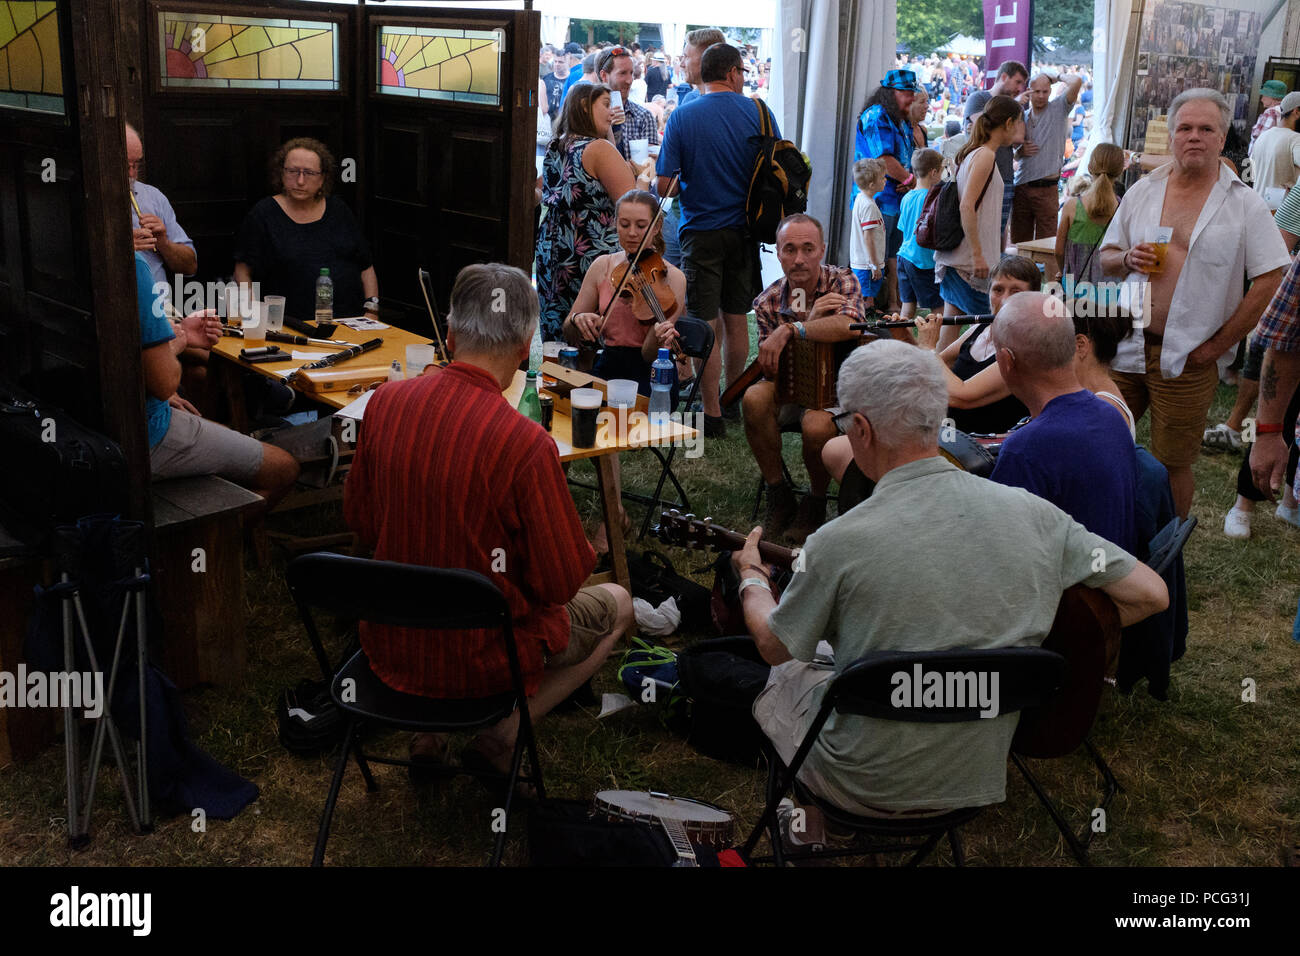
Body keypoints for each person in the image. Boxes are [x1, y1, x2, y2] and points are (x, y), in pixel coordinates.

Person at [733, 339, 1168, 819]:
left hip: (860, 784)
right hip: (977, 778)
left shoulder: (836, 540)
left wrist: (752, 577)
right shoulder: (1039, 517)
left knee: (787, 669)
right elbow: (1151, 594)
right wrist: (1049, 638)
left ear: (860, 428)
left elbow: (773, 645)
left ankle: (812, 816)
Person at [343, 263, 634, 775]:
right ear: (526, 348)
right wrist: (592, 547)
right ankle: (504, 736)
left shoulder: (384, 404)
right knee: (621, 603)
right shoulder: (525, 445)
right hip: (487, 661)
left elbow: (363, 525)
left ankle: (427, 735)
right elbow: (561, 582)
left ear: (451, 335)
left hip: (391, 645)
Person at [1099, 88, 1290, 518]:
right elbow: (1108, 257)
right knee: (1103, 443)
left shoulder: (1245, 204)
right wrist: (1128, 257)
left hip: (1188, 358)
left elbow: (1269, 279)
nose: (1194, 137)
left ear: (1223, 138)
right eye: (1185, 128)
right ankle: (1111, 529)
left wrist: (1215, 347)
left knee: (1173, 464)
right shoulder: (1143, 191)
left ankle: (1167, 558)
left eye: (1207, 129)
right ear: (1172, 135)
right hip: (1125, 347)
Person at [653, 42, 769, 438]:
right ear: (734, 71)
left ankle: (712, 412)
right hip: (747, 230)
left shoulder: (684, 116)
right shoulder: (759, 111)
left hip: (701, 231)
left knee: (703, 322)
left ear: (704, 73)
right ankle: (734, 399)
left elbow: (665, 184)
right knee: (738, 320)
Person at [138, 253, 300, 501]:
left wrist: (181, 335)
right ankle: (215, 537)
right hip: (145, 434)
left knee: (222, 428)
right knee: (284, 467)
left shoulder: (70, 258)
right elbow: (164, 383)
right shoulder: (133, 266)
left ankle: (258, 392)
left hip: (103, 423)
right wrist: (173, 347)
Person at [743, 214, 863, 543]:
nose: (799, 259)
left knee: (816, 425)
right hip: (791, 386)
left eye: (808, 248)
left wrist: (793, 328)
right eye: (790, 249)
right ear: (778, 253)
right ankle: (778, 494)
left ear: (822, 250)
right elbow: (774, 367)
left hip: (838, 390)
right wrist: (811, 321)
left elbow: (849, 326)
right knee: (754, 398)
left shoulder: (843, 281)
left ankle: (816, 499)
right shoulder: (767, 300)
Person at [988, 293, 1138, 554]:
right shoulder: (1110, 415)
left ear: (1006, 361)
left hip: (1069, 590)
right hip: (1113, 575)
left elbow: (1003, 552)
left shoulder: (1025, 450)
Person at [535, 83, 640, 342]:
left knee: (561, 332)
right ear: (584, 106)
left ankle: (558, 379)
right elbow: (632, 205)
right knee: (593, 329)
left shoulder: (557, 145)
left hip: (554, 249)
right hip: (590, 251)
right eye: (605, 104)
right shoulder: (598, 149)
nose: (612, 110)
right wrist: (644, 175)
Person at [234, 138, 378, 324]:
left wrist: (372, 310)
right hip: (289, 325)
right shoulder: (263, 214)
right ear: (281, 173)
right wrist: (252, 316)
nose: (300, 181)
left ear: (322, 178)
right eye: (293, 171)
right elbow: (242, 271)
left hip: (350, 322)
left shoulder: (339, 210)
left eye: (309, 173)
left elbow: (366, 265)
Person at [562, 189, 684, 396]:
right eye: (625, 225)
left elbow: (649, 355)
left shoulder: (673, 277)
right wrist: (577, 319)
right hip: (609, 362)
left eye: (642, 225)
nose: (632, 233)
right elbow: (568, 330)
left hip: (651, 371)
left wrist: (657, 336)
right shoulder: (603, 266)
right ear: (615, 223)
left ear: (657, 227)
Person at [935, 95, 1024, 331]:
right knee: (989, 329)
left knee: (951, 327)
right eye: (1018, 123)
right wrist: (977, 255)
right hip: (968, 262)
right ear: (1007, 123)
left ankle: (936, 366)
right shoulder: (984, 155)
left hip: (961, 259)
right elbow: (967, 205)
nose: (1018, 129)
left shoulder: (977, 152)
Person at [854, 69, 920, 311]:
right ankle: (867, 304)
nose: (911, 98)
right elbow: (884, 158)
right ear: (890, 93)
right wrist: (911, 179)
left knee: (893, 254)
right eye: (905, 93)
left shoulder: (900, 120)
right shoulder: (876, 116)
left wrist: (909, 179)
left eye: (912, 93)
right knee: (872, 252)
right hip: (877, 199)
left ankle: (894, 302)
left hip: (897, 199)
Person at [1012, 69, 1084, 243]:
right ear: (1029, 91)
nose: (1041, 96)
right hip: (1022, 186)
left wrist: (1056, 77)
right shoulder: (1022, 116)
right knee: (1021, 242)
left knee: (1047, 243)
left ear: (1051, 90)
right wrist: (1019, 152)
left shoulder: (1058, 108)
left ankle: (1048, 271)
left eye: (1045, 91)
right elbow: (1009, 150)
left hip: (1047, 188)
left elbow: (1076, 81)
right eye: (1037, 91)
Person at [963, 60, 1029, 241]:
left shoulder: (1014, 107)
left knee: (997, 235)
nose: (1020, 88)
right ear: (1004, 77)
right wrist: (1014, 106)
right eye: (1017, 82)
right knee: (977, 231)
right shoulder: (978, 98)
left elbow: (1018, 138)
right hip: (979, 175)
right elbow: (983, 129)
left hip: (1005, 176)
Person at [126, 123, 196, 291]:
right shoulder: (84, 200)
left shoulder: (153, 197)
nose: (131, 174)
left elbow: (190, 266)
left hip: (160, 307)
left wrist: (164, 243)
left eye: (136, 165)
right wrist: (122, 250)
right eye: (125, 164)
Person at [1055, 143, 1125, 308]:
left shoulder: (1072, 206)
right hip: (1110, 293)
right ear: (1121, 171)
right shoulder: (1123, 207)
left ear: (1089, 167)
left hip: (1076, 289)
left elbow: (1058, 251)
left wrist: (1063, 271)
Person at [896, 148, 945, 320]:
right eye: (942, 170)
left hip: (904, 257)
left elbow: (903, 229)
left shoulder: (907, 197)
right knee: (938, 307)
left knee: (908, 305)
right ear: (933, 172)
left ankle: (901, 341)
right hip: (923, 261)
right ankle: (937, 344)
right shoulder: (932, 199)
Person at [597, 46, 659, 162]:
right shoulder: (587, 118)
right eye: (623, 73)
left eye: (631, 73)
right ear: (604, 76)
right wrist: (605, 128)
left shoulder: (643, 116)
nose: (629, 80)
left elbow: (647, 170)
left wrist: (651, 159)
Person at [849, 159, 887, 310]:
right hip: (867, 264)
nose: (885, 181)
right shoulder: (868, 206)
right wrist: (874, 264)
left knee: (867, 293)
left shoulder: (861, 199)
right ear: (872, 185)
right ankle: (865, 316)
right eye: (882, 178)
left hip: (864, 262)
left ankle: (868, 310)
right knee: (865, 296)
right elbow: (868, 237)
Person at [1249, 91, 1300, 197]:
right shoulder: (1295, 139)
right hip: (1281, 211)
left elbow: (1251, 174)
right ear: (1296, 112)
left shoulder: (1262, 137)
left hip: (1257, 205)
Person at [677, 28, 726, 108]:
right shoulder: (745, 105)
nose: (681, 64)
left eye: (686, 57)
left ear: (706, 59)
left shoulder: (691, 101)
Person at [1250, 79, 1289, 155]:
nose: (1262, 99)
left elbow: (1261, 138)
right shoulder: (1284, 112)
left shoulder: (1271, 112)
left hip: (1259, 158)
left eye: (1264, 96)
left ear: (1272, 97)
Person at [541, 47, 570, 126]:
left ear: (567, 62)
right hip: (547, 122)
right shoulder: (546, 79)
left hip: (565, 122)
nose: (557, 64)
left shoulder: (571, 80)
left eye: (560, 62)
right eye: (555, 61)